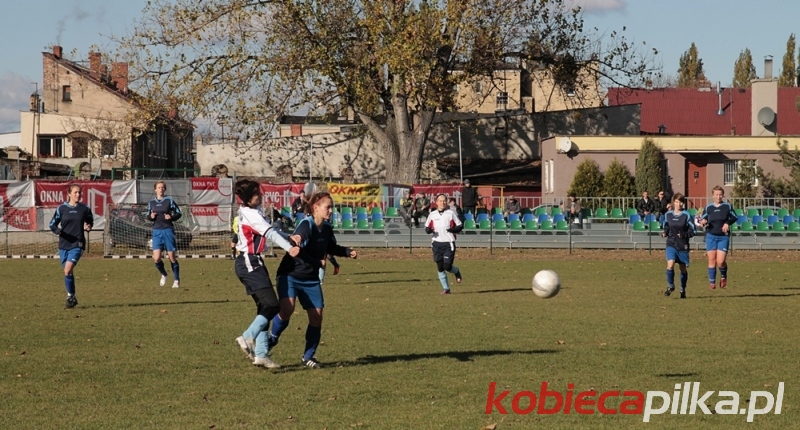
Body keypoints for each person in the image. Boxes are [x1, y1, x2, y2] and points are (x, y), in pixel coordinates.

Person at [268, 192, 357, 368]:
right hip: (290, 274)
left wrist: (347, 252)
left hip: (310, 278)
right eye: (328, 207)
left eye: (332, 207)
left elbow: (331, 247)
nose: (331, 211)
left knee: (317, 317)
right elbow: (298, 242)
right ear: (316, 208)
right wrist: (298, 240)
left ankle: (308, 357)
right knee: (287, 309)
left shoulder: (327, 228)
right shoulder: (306, 224)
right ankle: (270, 341)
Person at [233, 179, 300, 368]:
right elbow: (270, 234)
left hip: (251, 262)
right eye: (256, 193)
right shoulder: (251, 214)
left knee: (264, 307)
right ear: (248, 198)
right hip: (249, 262)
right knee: (272, 305)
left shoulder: (250, 212)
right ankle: (247, 336)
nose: (260, 195)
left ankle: (261, 354)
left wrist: (288, 237)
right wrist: (289, 248)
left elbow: (268, 230)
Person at [49, 184, 94, 309]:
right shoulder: (61, 208)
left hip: (77, 243)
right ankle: (72, 297)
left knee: (68, 270)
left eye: (79, 192)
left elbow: (90, 220)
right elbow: (52, 224)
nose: (78, 195)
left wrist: (89, 226)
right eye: (75, 192)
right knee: (68, 272)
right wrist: (58, 231)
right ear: (69, 194)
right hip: (64, 244)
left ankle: (69, 297)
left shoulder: (85, 208)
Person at [698, 186, 738, 290]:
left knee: (720, 261)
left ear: (723, 195)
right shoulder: (709, 207)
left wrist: (727, 223)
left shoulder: (727, 206)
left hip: (723, 237)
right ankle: (712, 283)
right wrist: (703, 221)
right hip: (711, 236)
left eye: (720, 194)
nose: (718, 196)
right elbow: (703, 219)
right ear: (713, 195)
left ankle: (723, 276)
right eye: (716, 194)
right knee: (711, 260)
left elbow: (735, 217)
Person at [425, 194, 464, 294]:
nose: (442, 203)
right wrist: (429, 230)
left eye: (444, 201)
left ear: (446, 202)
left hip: (448, 243)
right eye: (440, 201)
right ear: (436, 202)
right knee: (440, 267)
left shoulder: (451, 213)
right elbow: (427, 228)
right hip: (436, 243)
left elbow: (460, 226)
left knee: (447, 266)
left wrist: (452, 230)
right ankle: (446, 289)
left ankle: (456, 271)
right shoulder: (432, 214)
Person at [147, 181, 183, 288]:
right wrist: (151, 217)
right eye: (159, 187)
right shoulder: (151, 203)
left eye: (162, 187)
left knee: (171, 257)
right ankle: (164, 274)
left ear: (165, 189)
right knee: (156, 258)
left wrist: (171, 217)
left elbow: (178, 213)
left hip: (168, 230)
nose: (161, 189)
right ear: (155, 189)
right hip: (157, 231)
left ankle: (176, 280)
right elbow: (148, 216)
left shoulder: (169, 200)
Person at [661, 193, 696, 299]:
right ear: (673, 202)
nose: (679, 204)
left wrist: (684, 235)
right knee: (670, 264)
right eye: (676, 202)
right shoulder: (668, 214)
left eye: (680, 202)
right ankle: (671, 286)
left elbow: (693, 231)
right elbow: (666, 226)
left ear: (683, 203)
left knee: (682, 269)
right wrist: (665, 232)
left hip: (682, 245)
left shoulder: (686, 215)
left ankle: (682, 289)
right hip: (671, 243)